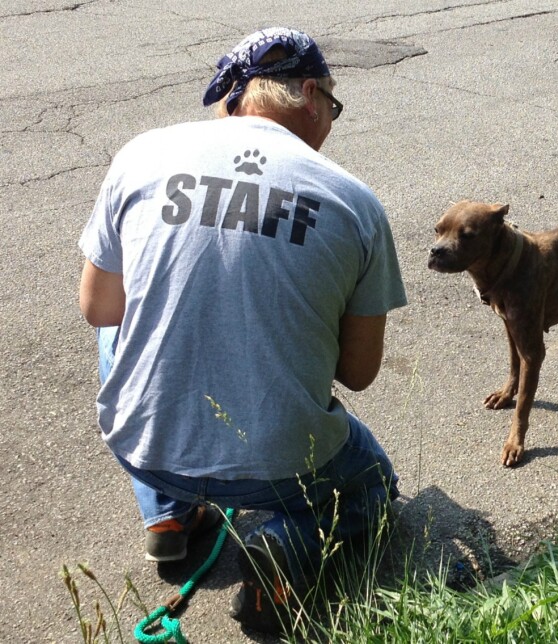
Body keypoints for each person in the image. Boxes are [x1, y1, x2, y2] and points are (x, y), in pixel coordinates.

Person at [78, 27, 407, 634]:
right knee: (371, 486)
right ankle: (284, 545)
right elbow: (358, 374)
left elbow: (97, 307)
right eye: (331, 106)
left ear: (233, 99)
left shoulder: (140, 155)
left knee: (118, 321)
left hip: (145, 450)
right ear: (309, 93)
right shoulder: (353, 202)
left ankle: (168, 516)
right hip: (284, 467)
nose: (330, 121)